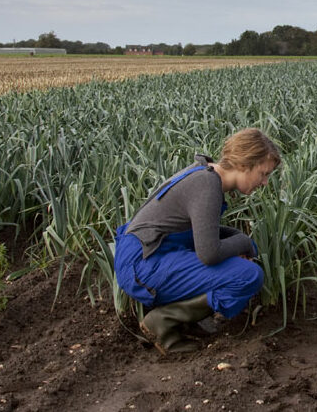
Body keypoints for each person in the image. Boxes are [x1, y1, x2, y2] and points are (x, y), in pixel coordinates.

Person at [113, 128, 281, 354]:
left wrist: (238, 242)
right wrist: (244, 243)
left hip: (147, 256)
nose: (265, 182)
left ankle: (184, 320)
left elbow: (202, 230)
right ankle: (164, 321)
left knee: (235, 263)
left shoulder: (205, 174)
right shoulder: (207, 185)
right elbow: (209, 253)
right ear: (243, 164)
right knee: (248, 275)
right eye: (263, 173)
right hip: (144, 265)